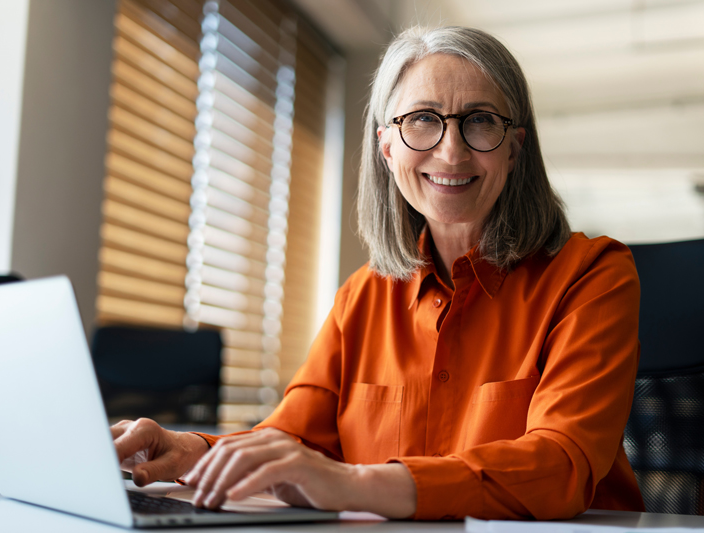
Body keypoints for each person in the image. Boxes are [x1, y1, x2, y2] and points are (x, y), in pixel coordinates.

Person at [112, 26, 646, 520]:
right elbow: (291, 442)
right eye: (422, 119)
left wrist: (354, 484)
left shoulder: (593, 274)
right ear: (387, 149)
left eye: (481, 120)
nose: (452, 150)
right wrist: (191, 451)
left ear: (514, 147)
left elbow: (560, 466)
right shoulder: (362, 296)